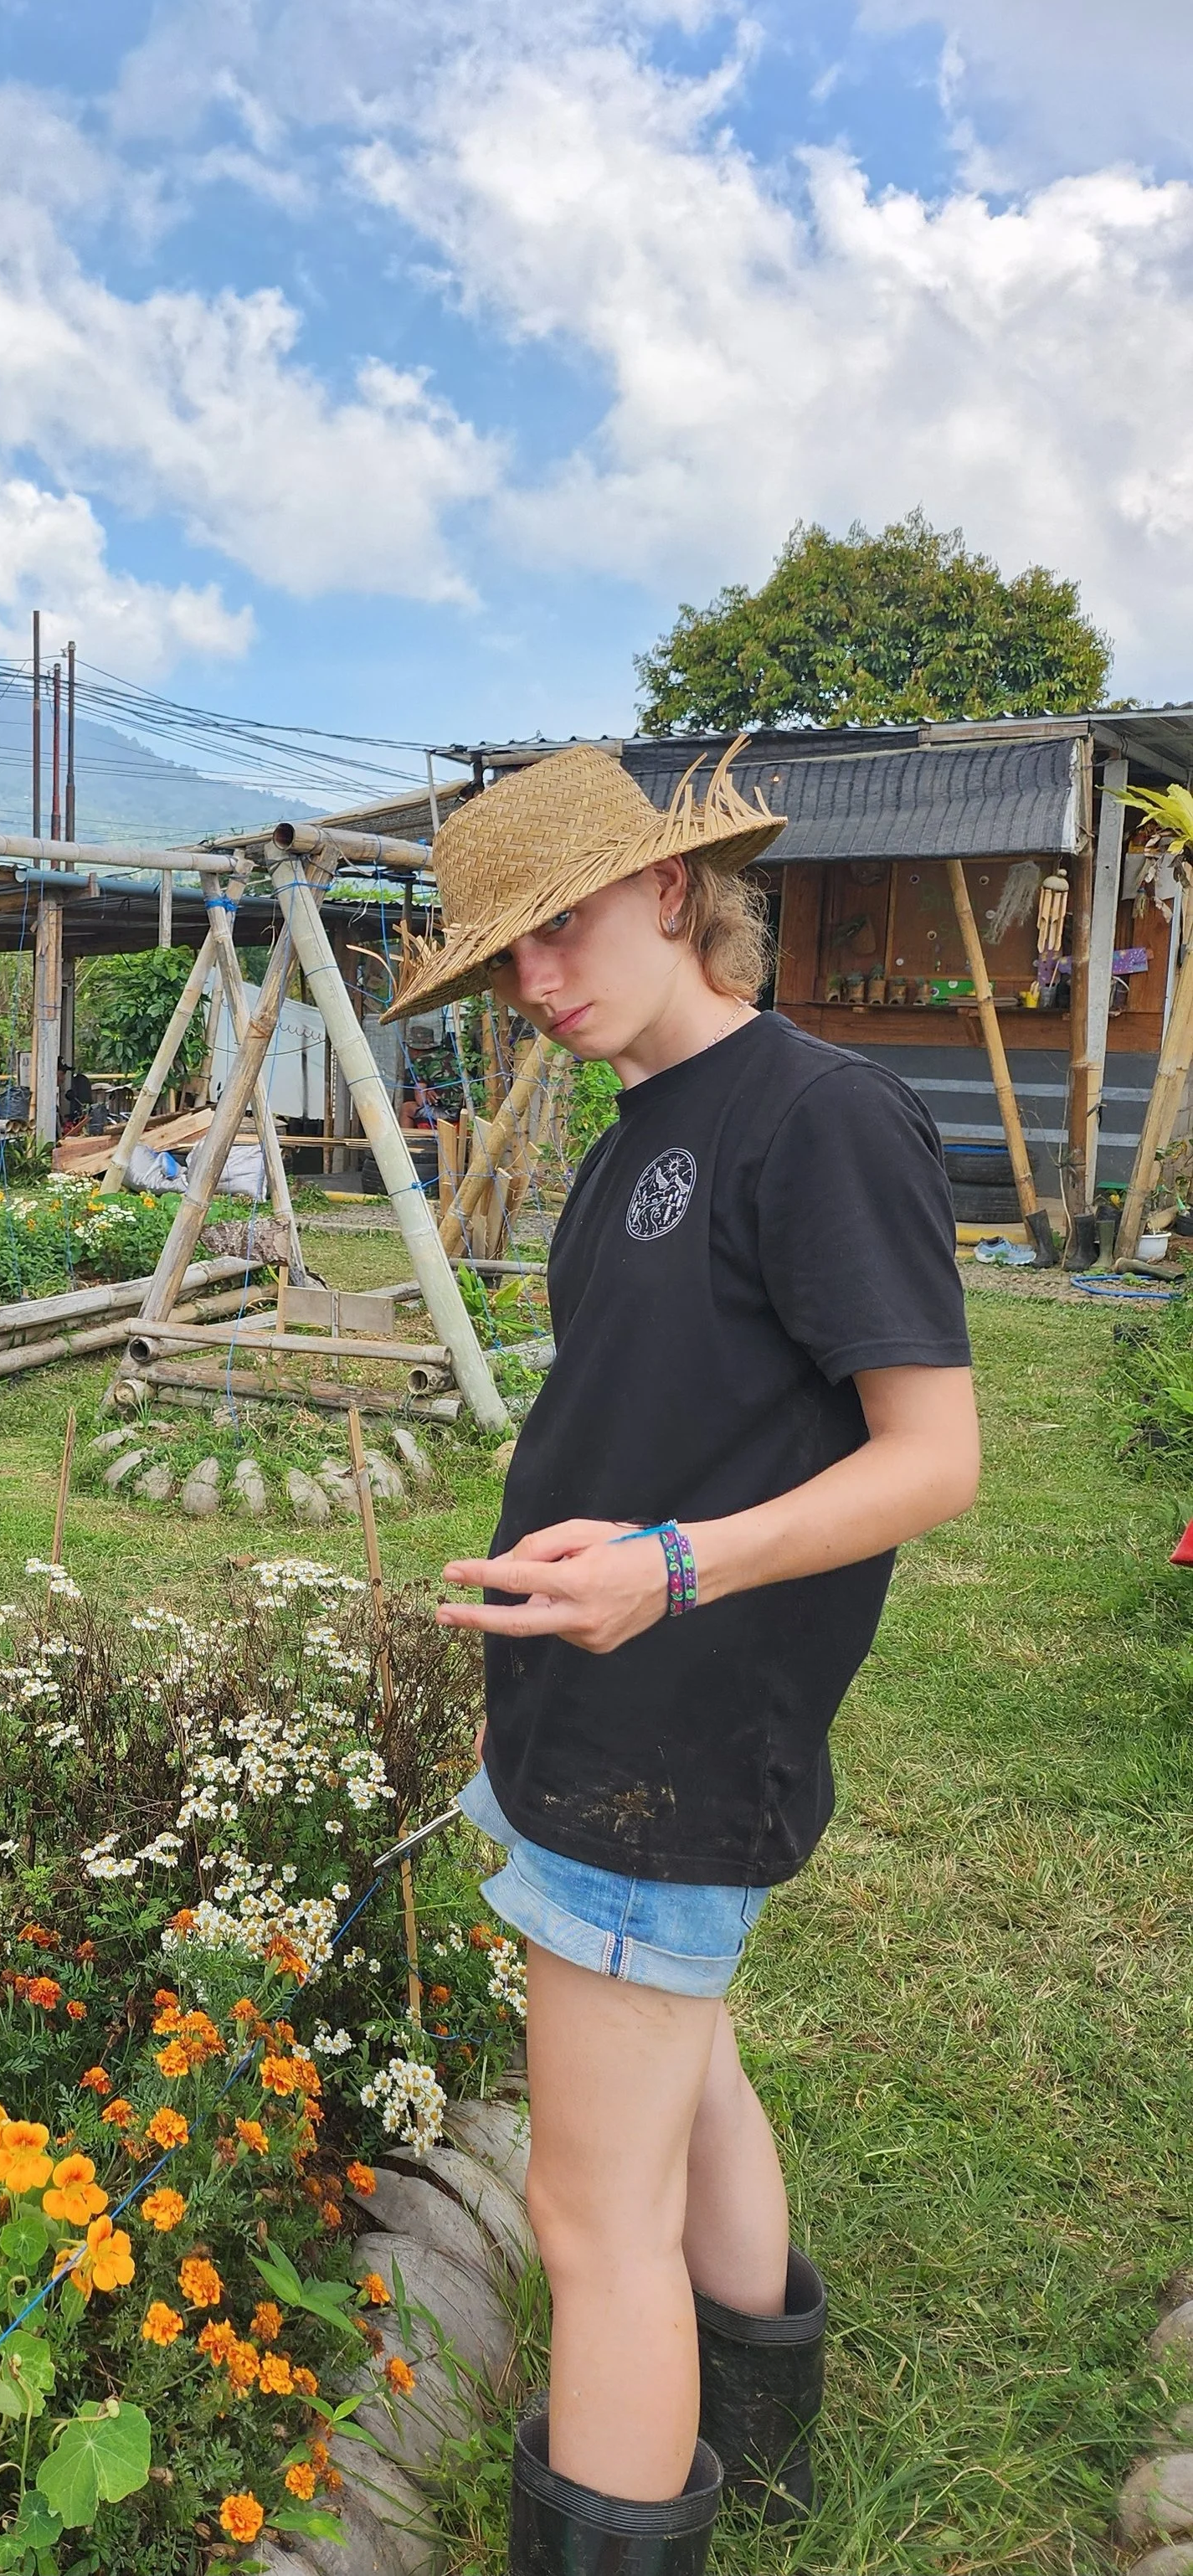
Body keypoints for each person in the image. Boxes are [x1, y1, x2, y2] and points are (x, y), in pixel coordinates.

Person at [384, 744, 978, 2573]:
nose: (533, 982)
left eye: (553, 927)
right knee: (684, 2062)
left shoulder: (816, 1116)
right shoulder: (638, 1126)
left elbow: (930, 1459)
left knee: (586, 2219)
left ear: (668, 886)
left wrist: (665, 1564)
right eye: (499, 960)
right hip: (595, 1697)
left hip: (679, 1722)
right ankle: (764, 2436)